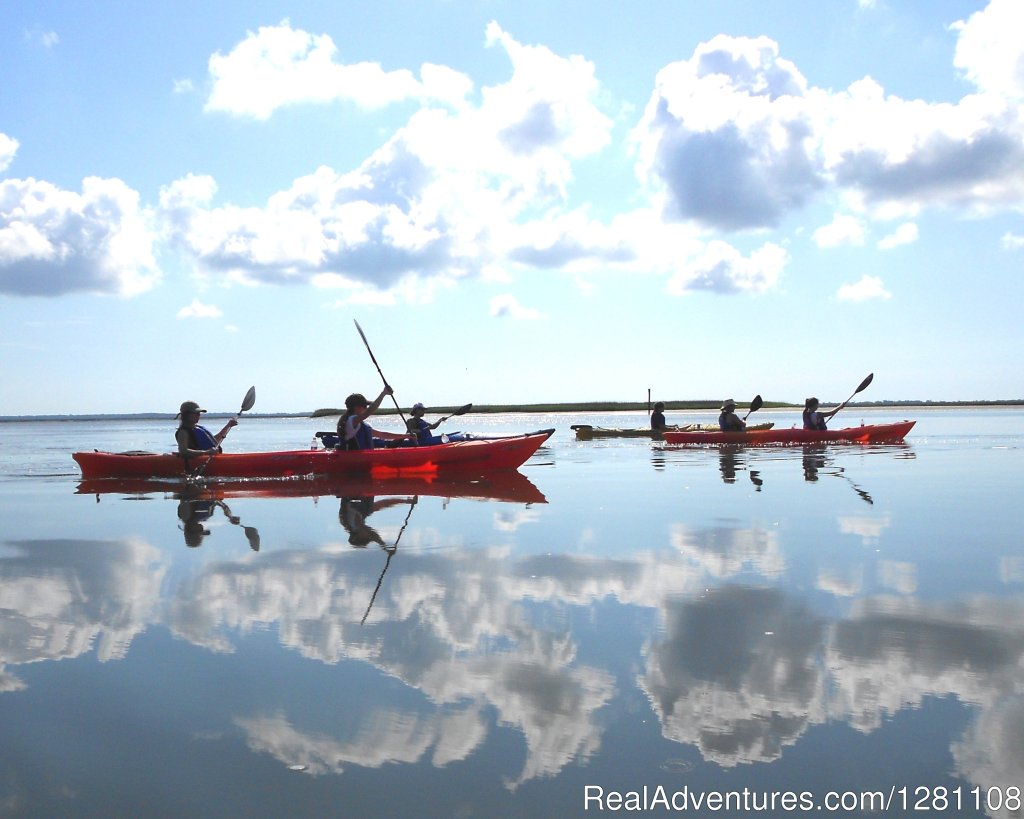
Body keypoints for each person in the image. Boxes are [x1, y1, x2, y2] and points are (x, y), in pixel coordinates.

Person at [337, 386, 413, 450]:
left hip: (363, 460)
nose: (366, 408)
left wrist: (406, 436)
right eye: (365, 406)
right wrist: (383, 393)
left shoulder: (360, 424)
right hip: (354, 460)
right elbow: (369, 411)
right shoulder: (351, 421)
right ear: (358, 407)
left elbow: (382, 435)